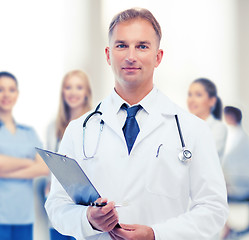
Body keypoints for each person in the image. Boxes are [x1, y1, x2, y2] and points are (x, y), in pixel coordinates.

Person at [45, 8, 229, 240]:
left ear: (158, 56)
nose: (131, 56)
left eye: (142, 46)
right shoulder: (78, 130)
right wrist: (88, 219)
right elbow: (56, 206)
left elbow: (214, 209)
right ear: (108, 54)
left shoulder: (193, 130)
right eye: (121, 45)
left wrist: (156, 234)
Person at [0, 71, 49, 240]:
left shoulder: (28, 133)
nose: (6, 94)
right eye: (1, 89)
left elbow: (44, 167)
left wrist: (6, 170)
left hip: (24, 217)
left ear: (17, 94)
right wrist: (29, 162)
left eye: (11, 90)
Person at [44, 70, 92, 240]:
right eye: (68, 87)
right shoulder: (53, 128)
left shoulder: (95, 124)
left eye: (79, 87)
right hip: (59, 203)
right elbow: (49, 163)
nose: (73, 92)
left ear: (87, 93)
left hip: (85, 207)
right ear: (62, 92)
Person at [187, 78, 227, 160]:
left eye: (198, 95)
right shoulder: (184, 125)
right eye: (190, 95)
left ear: (212, 101)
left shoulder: (218, 128)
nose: (191, 100)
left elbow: (204, 156)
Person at [223, 106, 249, 201]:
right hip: (239, 184)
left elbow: (223, 158)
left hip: (238, 186)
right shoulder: (240, 134)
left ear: (230, 117)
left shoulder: (234, 135)